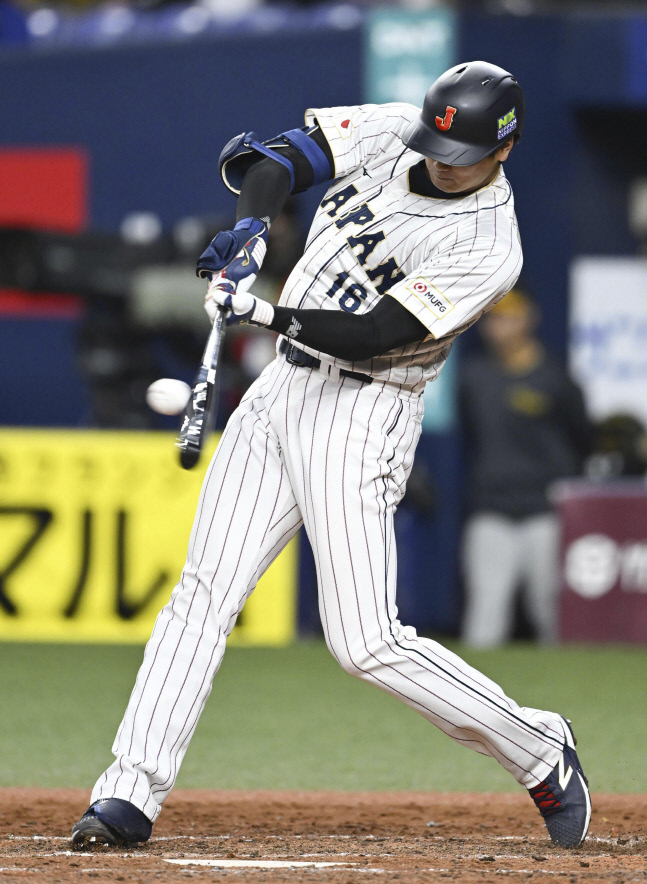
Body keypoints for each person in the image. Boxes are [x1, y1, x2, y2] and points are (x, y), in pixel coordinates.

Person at [71, 61, 591, 851]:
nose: (440, 162)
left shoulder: (489, 245)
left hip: (365, 406)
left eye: (463, 154)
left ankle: (538, 747)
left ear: (503, 150)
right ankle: (127, 795)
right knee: (202, 595)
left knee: (364, 642)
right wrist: (249, 228)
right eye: (436, 144)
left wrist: (260, 308)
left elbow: (382, 333)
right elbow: (274, 162)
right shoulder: (391, 132)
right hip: (283, 390)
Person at [459, 287, 591, 647]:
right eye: (493, 318)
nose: (498, 326)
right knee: (485, 614)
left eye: (508, 316)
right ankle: (472, 701)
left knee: (551, 610)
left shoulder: (554, 378)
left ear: (529, 317)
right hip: (491, 508)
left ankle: (570, 694)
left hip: (544, 511)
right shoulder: (474, 376)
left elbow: (582, 437)